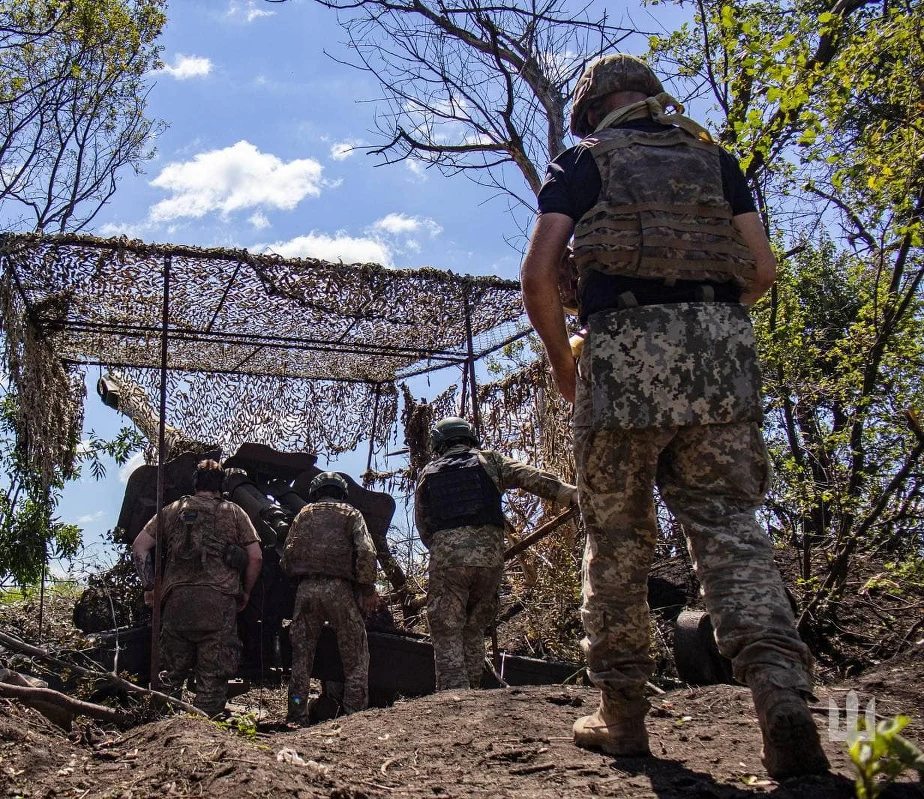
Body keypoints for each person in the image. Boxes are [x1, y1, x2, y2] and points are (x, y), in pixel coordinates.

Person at [519, 53, 829, 779]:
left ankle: (622, 718)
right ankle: (783, 701)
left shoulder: (584, 161)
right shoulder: (715, 160)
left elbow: (537, 277)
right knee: (731, 532)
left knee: (619, 540)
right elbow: (759, 271)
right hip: (720, 356)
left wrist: (569, 366)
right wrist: (701, 323)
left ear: (593, 109)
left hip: (621, 358)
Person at [415, 417, 577, 692]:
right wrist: (569, 494)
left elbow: (423, 523)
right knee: (475, 626)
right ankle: (474, 691)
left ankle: (455, 696)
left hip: (448, 561)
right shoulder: (489, 461)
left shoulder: (429, 472)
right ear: (469, 437)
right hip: (490, 561)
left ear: (439, 442)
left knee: (446, 627)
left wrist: (444, 548)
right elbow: (531, 477)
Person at [131, 459, 262, 718]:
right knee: (212, 680)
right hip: (218, 603)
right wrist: (245, 592)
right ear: (221, 487)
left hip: (177, 603)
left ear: (195, 484)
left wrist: (149, 587)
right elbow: (256, 556)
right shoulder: (234, 512)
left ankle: (159, 730)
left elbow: (139, 547)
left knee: (168, 677)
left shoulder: (171, 510)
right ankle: (206, 733)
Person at [281, 471, 379, 726]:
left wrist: (299, 580)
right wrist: (367, 588)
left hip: (306, 590)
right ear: (342, 492)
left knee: (301, 659)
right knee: (355, 656)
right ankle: (353, 719)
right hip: (339, 590)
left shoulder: (303, 515)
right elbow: (367, 552)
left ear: (315, 492)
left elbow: (287, 555)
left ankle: (296, 716)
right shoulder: (350, 514)